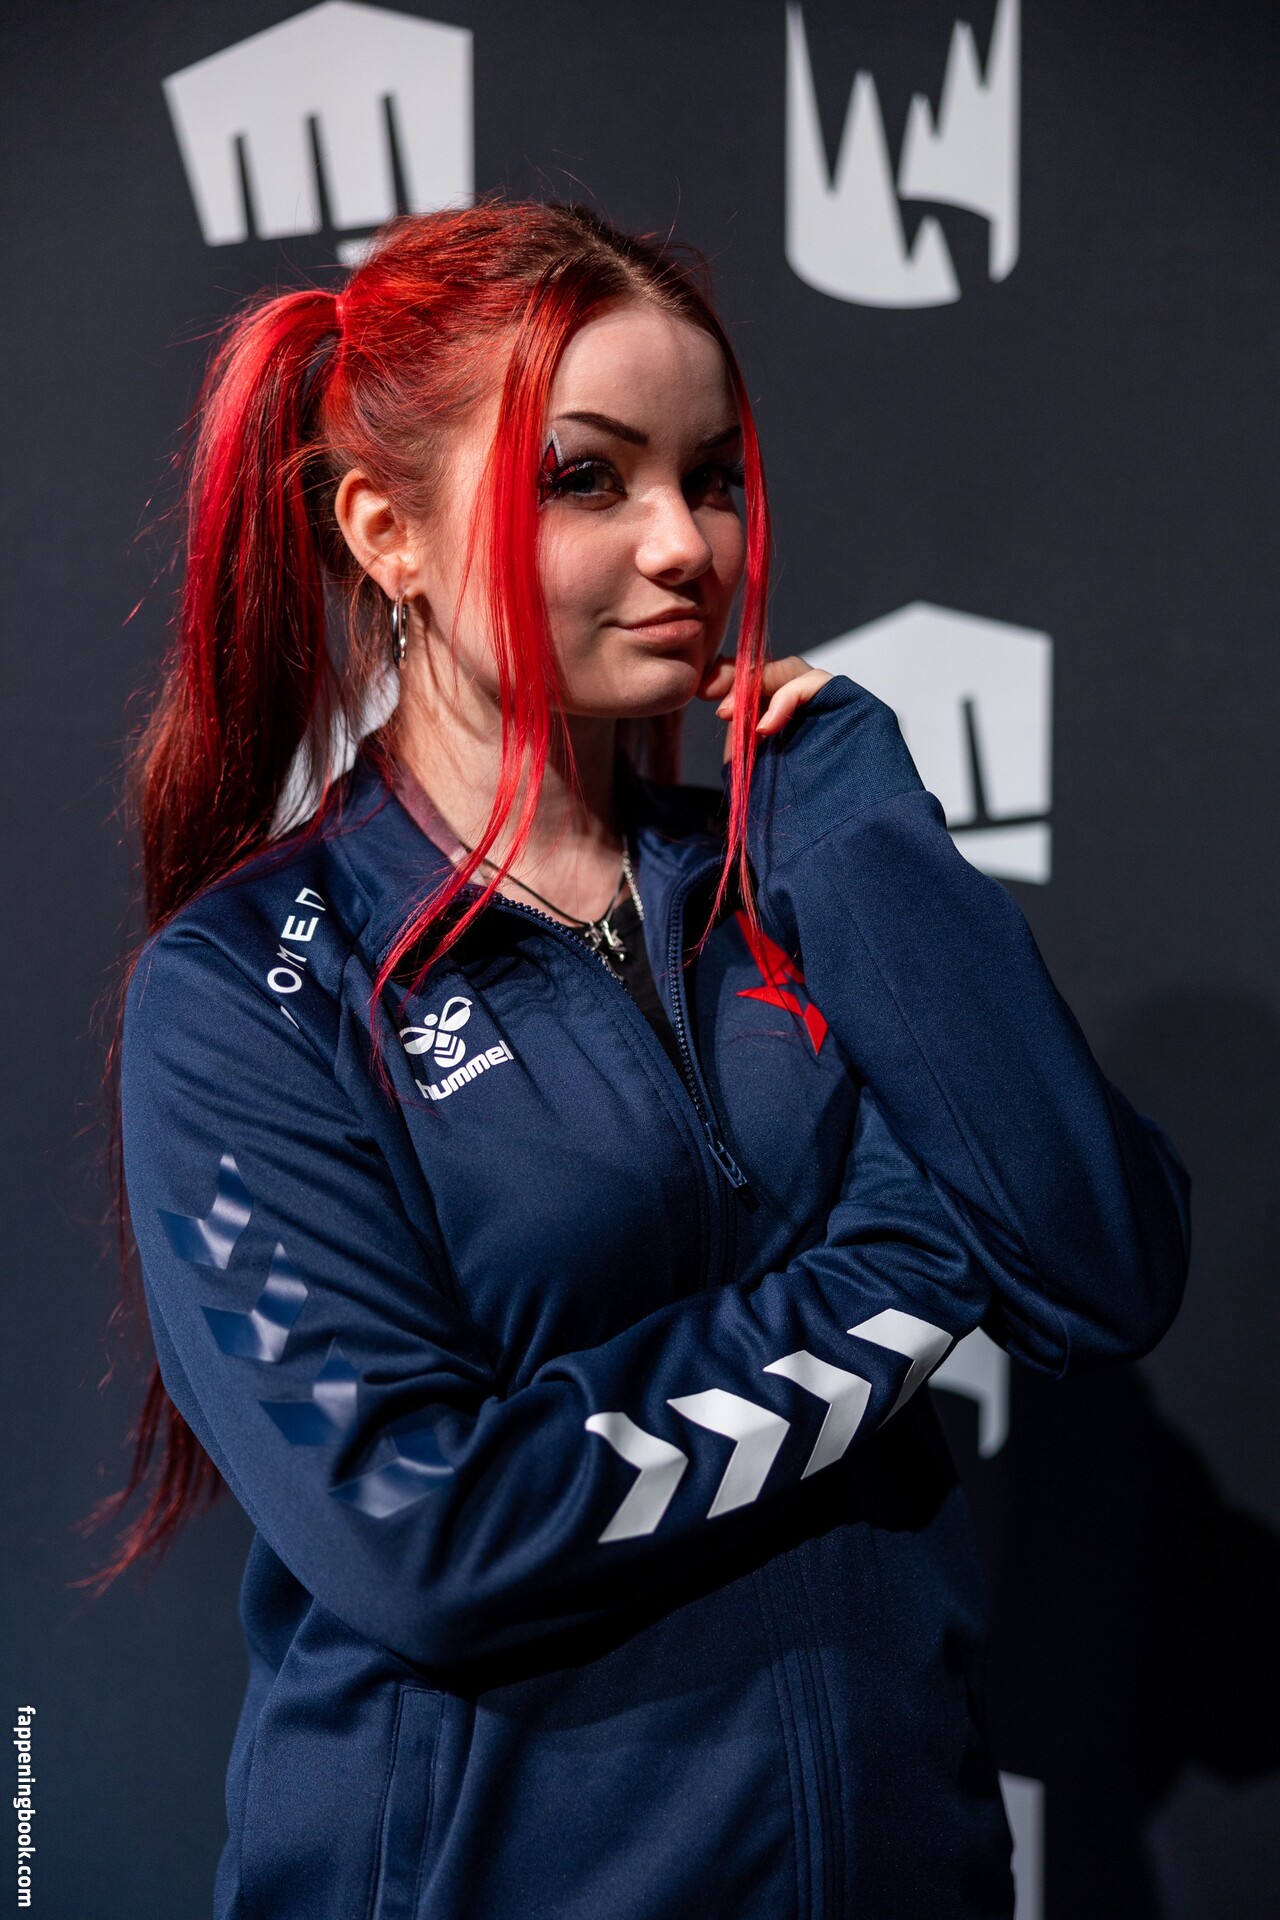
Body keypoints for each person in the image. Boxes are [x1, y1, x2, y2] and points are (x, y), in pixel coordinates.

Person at [108, 198, 1189, 1919]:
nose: (687, 543)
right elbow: (429, 1528)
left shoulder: (802, 874)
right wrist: (915, 1271)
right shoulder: (251, 990)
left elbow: (1103, 1260)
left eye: (713, 477)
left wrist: (864, 840)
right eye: (587, 480)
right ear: (387, 531)